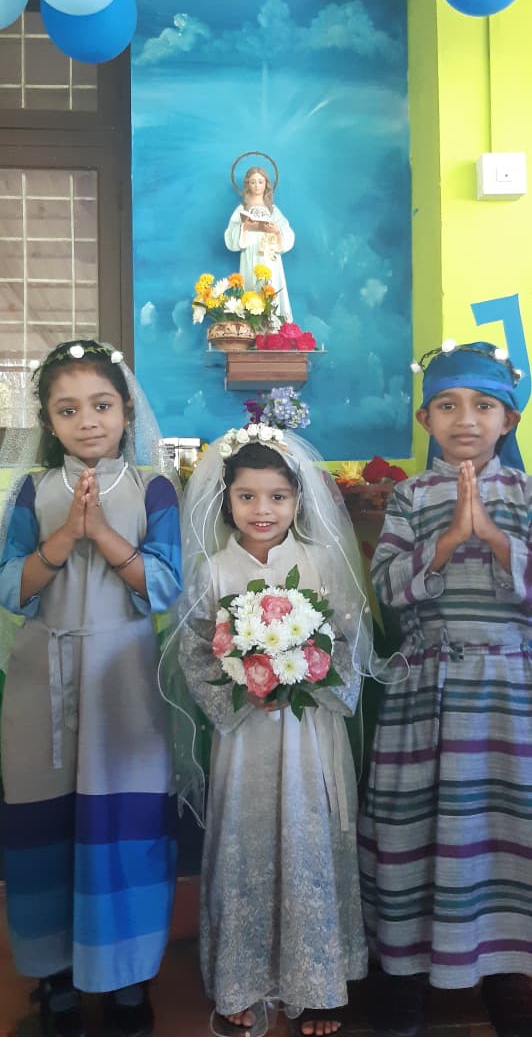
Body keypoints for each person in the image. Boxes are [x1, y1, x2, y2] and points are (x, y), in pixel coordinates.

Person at [0, 339, 182, 1037]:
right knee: (42, 826)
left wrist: (100, 532)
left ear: (126, 409)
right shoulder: (32, 491)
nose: (88, 422)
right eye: (68, 409)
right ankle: (55, 979)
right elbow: (11, 588)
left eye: (101, 405)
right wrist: (60, 539)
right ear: (49, 420)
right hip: (41, 677)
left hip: (124, 675)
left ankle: (128, 978)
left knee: (124, 826)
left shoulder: (152, 489)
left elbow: (164, 585)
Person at [167, 423, 372, 1037]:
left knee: (309, 835)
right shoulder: (211, 571)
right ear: (225, 498)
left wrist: (306, 673)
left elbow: (350, 642)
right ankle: (243, 980)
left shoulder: (322, 562)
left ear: (298, 499)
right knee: (247, 837)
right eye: (247, 496)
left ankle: (317, 984)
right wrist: (242, 687)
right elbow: (195, 652)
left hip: (310, 732)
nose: (263, 509)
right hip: (245, 735)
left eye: (278, 496)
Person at [358, 341, 531, 1037]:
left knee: (502, 830)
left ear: (508, 420)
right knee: (414, 827)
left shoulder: (525, 496)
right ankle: (403, 982)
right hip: (424, 691)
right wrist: (447, 541)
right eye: (449, 405)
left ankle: (507, 978)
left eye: (484, 406)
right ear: (426, 418)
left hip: (509, 695)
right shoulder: (409, 496)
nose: (466, 419)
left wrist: (493, 536)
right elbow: (387, 588)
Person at [224, 165, 295, 323]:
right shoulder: (241, 209)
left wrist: (276, 232)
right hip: (250, 254)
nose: (257, 186)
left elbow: (287, 232)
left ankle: (274, 328)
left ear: (266, 184)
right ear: (247, 184)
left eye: (260, 182)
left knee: (270, 287)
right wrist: (244, 228)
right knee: (251, 286)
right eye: (253, 182)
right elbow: (230, 234)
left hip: (269, 256)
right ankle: (253, 328)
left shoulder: (273, 210)